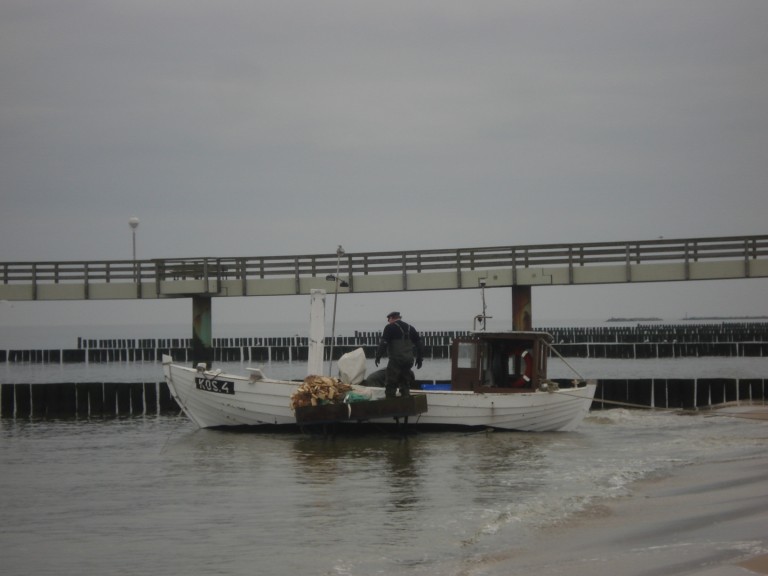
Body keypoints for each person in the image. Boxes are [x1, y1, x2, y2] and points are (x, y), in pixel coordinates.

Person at [375, 311, 424, 398]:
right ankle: (406, 401)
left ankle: (390, 403)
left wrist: (378, 356)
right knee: (405, 382)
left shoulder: (390, 328)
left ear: (392, 318)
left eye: (388, 319)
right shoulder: (410, 328)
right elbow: (419, 344)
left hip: (395, 361)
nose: (388, 321)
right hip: (408, 361)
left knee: (391, 383)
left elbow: (384, 343)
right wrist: (419, 359)